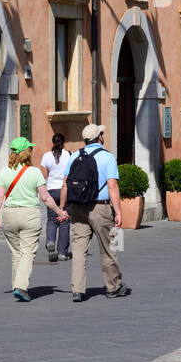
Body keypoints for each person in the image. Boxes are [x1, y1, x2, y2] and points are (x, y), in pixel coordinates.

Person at [0, 136, 68, 301]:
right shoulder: (34, 172)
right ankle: (21, 286)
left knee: (16, 253)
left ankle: (16, 284)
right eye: (30, 149)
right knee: (27, 253)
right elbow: (45, 198)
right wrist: (60, 212)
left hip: (9, 214)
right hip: (29, 215)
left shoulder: (4, 171)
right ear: (27, 152)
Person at [60, 123, 130, 302]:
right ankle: (113, 287)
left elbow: (65, 184)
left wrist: (62, 208)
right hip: (100, 207)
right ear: (99, 137)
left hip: (77, 207)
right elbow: (113, 185)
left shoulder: (75, 155)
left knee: (78, 249)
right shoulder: (107, 157)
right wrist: (118, 212)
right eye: (102, 133)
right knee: (108, 248)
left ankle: (77, 290)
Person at [39, 132, 74, 262]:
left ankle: (50, 241)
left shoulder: (46, 156)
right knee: (64, 220)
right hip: (65, 190)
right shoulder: (70, 155)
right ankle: (62, 252)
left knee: (52, 219)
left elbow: (44, 174)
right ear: (64, 142)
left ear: (53, 142)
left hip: (51, 190)